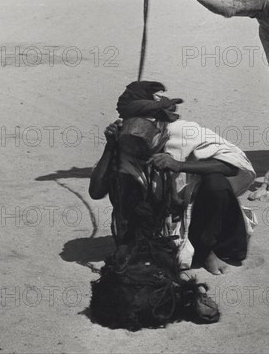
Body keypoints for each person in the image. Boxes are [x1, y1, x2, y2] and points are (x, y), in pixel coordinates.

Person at [89, 80, 256, 275]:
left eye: (146, 119)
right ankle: (141, 247)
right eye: (131, 119)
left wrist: (180, 165)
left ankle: (209, 251)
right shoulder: (124, 141)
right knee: (122, 179)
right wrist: (110, 147)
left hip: (192, 215)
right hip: (151, 224)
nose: (137, 127)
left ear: (160, 120)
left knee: (216, 183)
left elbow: (234, 165)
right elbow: (96, 191)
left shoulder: (184, 132)